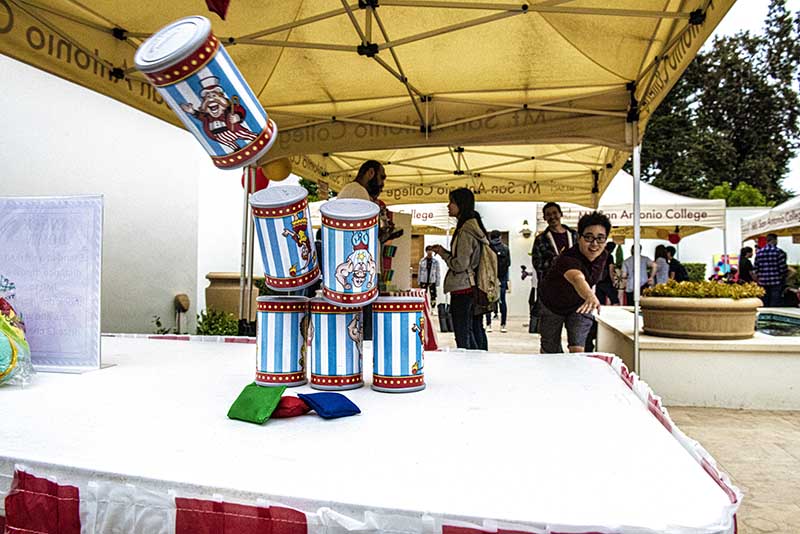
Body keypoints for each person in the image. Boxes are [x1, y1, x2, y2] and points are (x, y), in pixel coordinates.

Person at [538, 211, 611, 353]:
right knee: (550, 351)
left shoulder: (603, 255)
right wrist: (590, 295)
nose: (594, 244)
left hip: (579, 305)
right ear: (579, 237)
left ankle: (576, 373)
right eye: (589, 237)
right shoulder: (567, 258)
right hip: (552, 304)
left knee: (578, 348)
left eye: (600, 238)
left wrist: (588, 297)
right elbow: (577, 278)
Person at [430, 188, 490, 350]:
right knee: (476, 329)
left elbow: (460, 264)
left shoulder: (465, 231)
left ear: (461, 205)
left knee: (463, 333)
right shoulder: (474, 227)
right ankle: (481, 363)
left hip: (463, 288)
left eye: (452, 202)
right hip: (473, 286)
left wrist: (442, 253)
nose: (448, 206)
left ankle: (470, 366)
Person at [531, 202, 578, 331]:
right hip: (552, 292)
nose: (552, 217)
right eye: (548, 215)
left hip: (574, 291)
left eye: (554, 213)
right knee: (550, 338)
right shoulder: (541, 239)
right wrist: (555, 261)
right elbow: (537, 264)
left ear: (561, 214)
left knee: (576, 336)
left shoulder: (574, 235)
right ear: (545, 218)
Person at [754, 233, 788, 307]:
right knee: (775, 301)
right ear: (775, 240)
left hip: (763, 281)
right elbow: (783, 268)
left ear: (767, 240)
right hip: (776, 281)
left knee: (764, 301)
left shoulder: (759, 253)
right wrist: (783, 276)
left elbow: (756, 268)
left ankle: (764, 316)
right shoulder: (779, 252)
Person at [486, 230, 510, 333]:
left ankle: (488, 324)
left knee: (489, 301)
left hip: (489, 278)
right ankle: (503, 325)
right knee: (502, 301)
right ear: (500, 237)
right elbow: (508, 264)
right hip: (502, 278)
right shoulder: (505, 248)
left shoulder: (488, 248)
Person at [521, 265, 539, 333]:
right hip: (535, 287)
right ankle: (534, 328)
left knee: (535, 307)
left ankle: (534, 328)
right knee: (533, 304)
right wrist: (528, 273)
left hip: (537, 287)